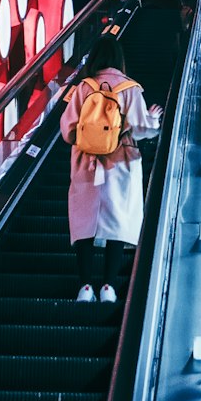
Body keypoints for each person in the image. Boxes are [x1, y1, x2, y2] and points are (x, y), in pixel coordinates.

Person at [59, 34, 162, 303]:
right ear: (119, 59)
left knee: (84, 224)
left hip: (86, 162)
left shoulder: (83, 88)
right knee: (117, 220)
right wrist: (152, 119)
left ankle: (84, 286)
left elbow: (67, 130)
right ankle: (108, 287)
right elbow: (142, 128)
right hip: (121, 162)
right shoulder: (129, 88)